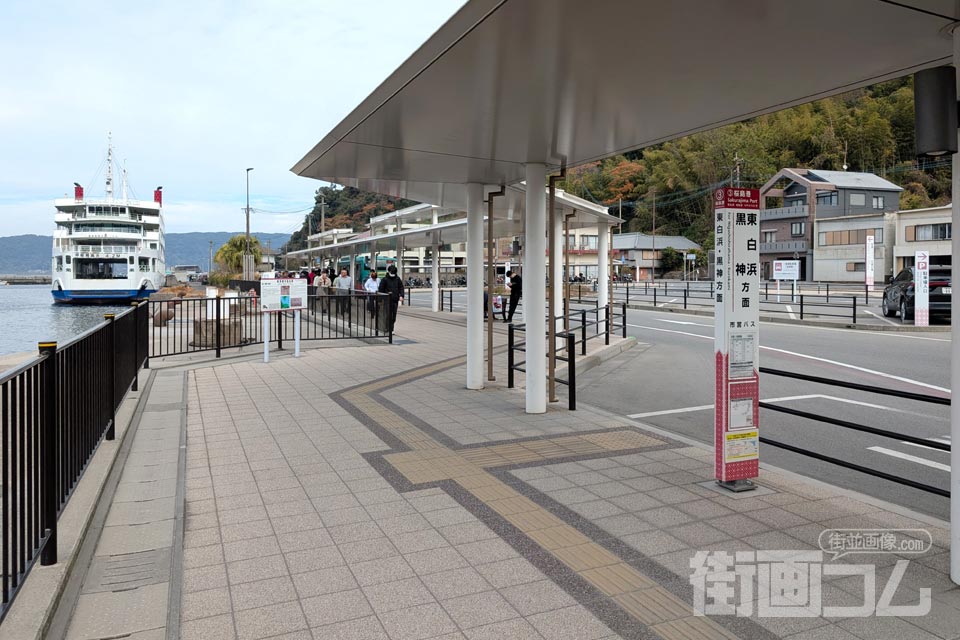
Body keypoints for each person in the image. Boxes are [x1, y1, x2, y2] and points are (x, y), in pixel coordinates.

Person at [378, 265, 404, 332]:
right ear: (389, 272)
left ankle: (391, 328)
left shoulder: (398, 279)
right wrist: (380, 300)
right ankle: (388, 328)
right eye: (392, 273)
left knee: (393, 316)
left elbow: (401, 288)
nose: (393, 274)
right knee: (388, 315)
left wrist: (401, 296)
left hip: (395, 300)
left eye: (394, 273)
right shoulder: (384, 279)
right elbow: (381, 289)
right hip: (387, 301)